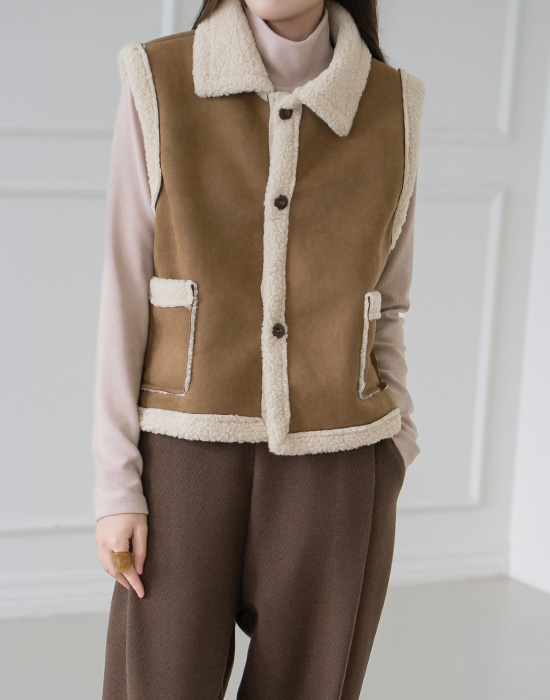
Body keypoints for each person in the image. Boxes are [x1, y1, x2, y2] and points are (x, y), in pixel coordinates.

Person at [92, 0, 425, 697]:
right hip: (183, 462)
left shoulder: (392, 104)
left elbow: (388, 302)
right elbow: (125, 293)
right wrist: (117, 483)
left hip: (340, 465)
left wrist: (395, 447)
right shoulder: (160, 78)